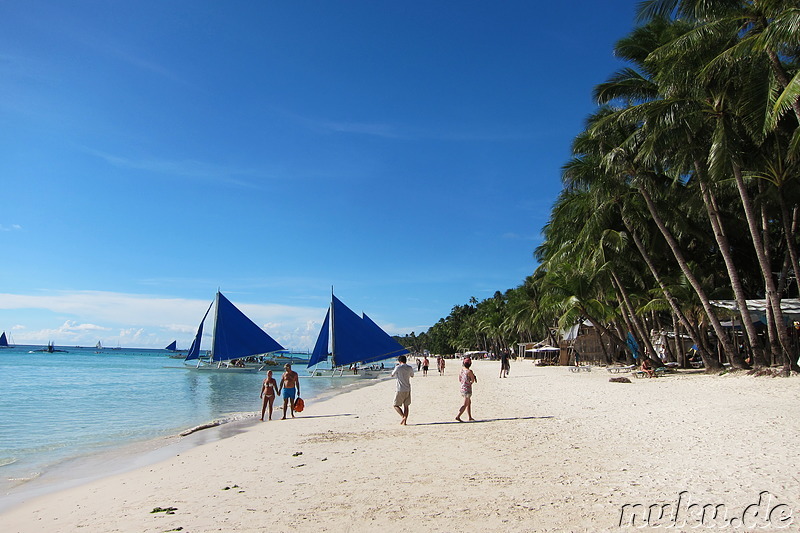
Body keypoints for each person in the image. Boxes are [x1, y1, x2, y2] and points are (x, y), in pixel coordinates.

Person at [391, 354, 415, 425]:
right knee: (406, 406)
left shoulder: (398, 367)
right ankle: (405, 422)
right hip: (407, 388)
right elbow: (412, 375)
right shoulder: (409, 367)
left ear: (399, 361)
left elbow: (392, 374)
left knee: (395, 405)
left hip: (400, 389)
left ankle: (403, 416)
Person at [456, 357, 477, 422]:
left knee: (469, 403)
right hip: (467, 389)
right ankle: (458, 416)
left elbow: (459, 379)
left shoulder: (462, 371)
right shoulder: (469, 371)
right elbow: (472, 380)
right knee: (465, 404)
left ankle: (470, 416)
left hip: (462, 388)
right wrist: (470, 382)